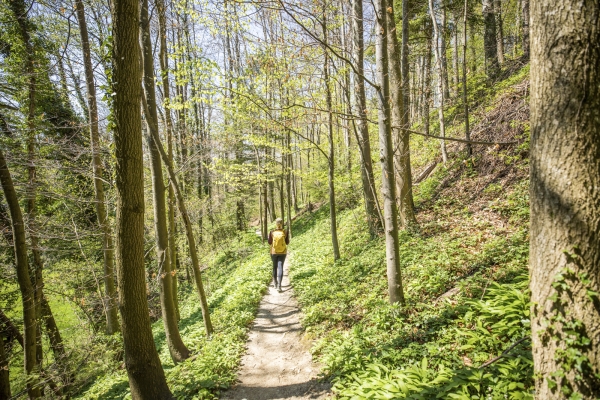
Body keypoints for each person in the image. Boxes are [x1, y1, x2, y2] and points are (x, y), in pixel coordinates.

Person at [268, 218, 289, 292]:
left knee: (274, 267)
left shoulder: (272, 232)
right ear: (282, 223)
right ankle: (279, 286)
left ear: (276, 224)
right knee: (280, 267)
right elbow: (287, 242)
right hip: (283, 252)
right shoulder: (285, 231)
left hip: (274, 252)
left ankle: (275, 283)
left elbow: (270, 242)